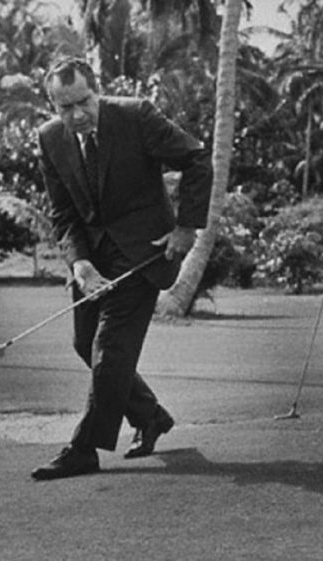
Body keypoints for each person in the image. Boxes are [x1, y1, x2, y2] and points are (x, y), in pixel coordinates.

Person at [31, 57, 212, 480]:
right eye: (64, 107)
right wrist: (80, 264)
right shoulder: (49, 139)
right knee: (85, 345)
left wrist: (187, 227)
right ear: (52, 106)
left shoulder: (136, 115)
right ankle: (150, 417)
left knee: (110, 349)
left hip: (144, 252)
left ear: (98, 91)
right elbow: (63, 214)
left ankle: (83, 448)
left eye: (84, 102)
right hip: (93, 258)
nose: (76, 115)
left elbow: (196, 159)